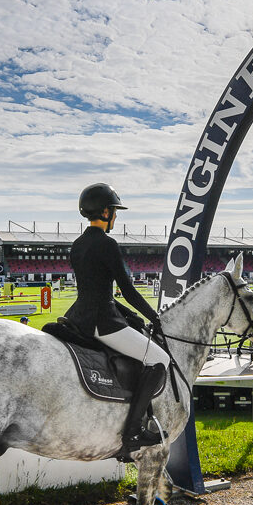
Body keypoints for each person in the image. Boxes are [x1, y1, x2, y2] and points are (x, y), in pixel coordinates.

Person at [65, 183, 170, 453]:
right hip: (102, 322)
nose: (116, 217)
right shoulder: (108, 244)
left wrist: (129, 314)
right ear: (105, 212)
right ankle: (133, 432)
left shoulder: (77, 245)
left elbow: (96, 290)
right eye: (114, 211)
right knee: (159, 359)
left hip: (79, 316)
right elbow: (129, 291)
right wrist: (153, 317)